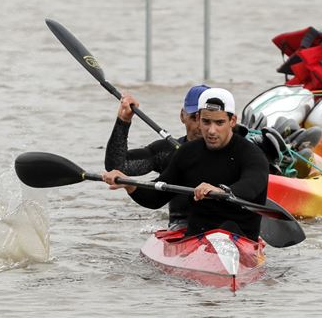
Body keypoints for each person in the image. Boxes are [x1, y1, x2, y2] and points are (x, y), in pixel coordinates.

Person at [103, 88, 270, 242]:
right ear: (197, 119)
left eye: (219, 123)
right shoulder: (187, 153)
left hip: (241, 238)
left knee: (228, 228)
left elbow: (252, 186)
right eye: (206, 122)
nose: (211, 131)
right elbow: (155, 198)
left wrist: (222, 191)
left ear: (232, 121)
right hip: (197, 237)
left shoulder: (252, 154)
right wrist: (129, 184)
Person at [104, 84, 210, 230]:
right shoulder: (166, 151)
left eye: (206, 119)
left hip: (224, 228)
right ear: (182, 116)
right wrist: (123, 121)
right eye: (194, 117)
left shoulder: (234, 150)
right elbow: (118, 167)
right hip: (180, 228)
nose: (200, 126)